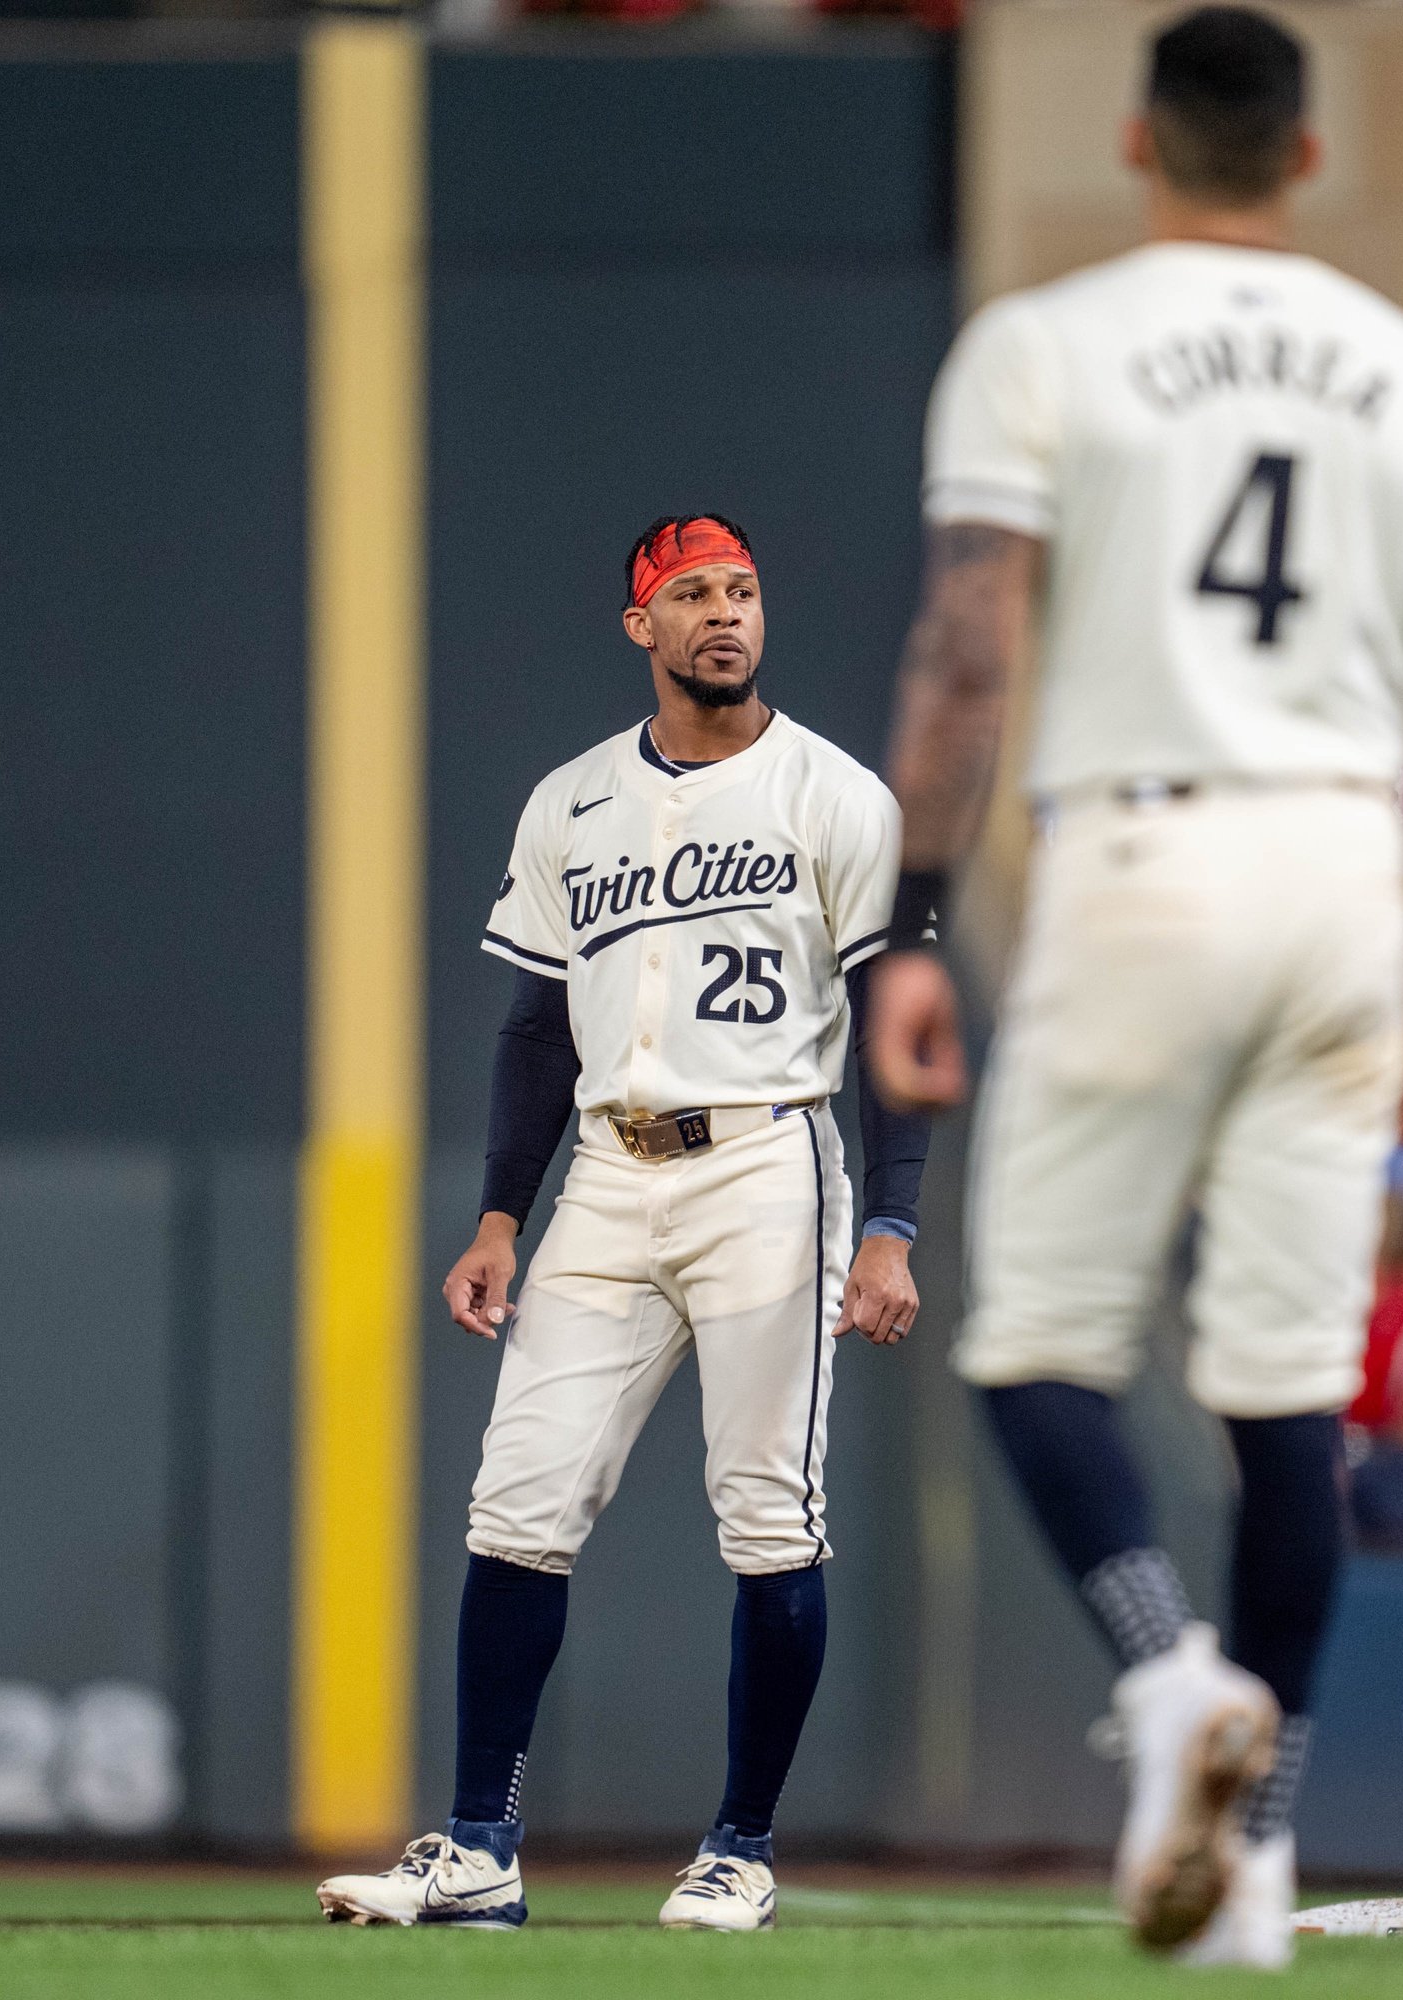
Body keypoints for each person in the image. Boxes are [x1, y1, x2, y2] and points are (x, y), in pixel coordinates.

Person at [865, 6, 1403, 1966]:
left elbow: (967, 654)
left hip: (1143, 855)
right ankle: (1259, 1858)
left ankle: (1170, 1679)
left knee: (1036, 1346)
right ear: (1305, 155)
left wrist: (913, 925)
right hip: (1346, 869)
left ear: (1141, 141)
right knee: (1288, 1397)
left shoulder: (1042, 344)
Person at [316, 517, 928, 1933]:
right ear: (641, 625)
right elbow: (537, 1029)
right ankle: (480, 1848)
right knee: (516, 1504)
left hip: (767, 1160)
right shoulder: (572, 801)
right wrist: (497, 1217)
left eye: (743, 590)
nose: (725, 613)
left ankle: (740, 1850)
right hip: (605, 1168)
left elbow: (900, 1027)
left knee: (767, 1511)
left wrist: (892, 1224)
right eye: (692, 594)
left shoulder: (836, 794)